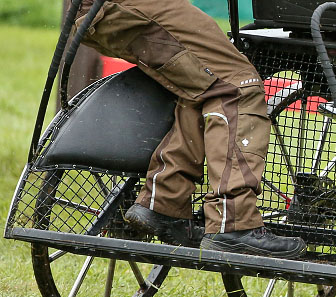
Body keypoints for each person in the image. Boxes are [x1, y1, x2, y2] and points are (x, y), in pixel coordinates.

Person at [73, 0, 306, 258]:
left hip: (99, 9)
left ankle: (164, 202)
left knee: (206, 81)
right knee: (238, 85)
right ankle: (234, 223)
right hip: (121, 6)